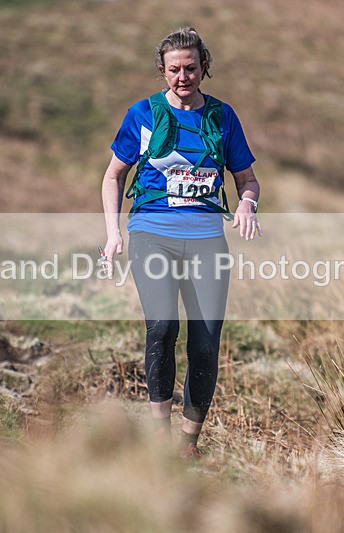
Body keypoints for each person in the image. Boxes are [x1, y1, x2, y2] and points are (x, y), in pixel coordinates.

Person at [101, 27, 262, 459]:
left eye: (191, 68)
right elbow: (113, 175)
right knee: (163, 327)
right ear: (162, 71)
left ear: (204, 67)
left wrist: (247, 205)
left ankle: (188, 442)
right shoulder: (143, 114)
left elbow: (247, 179)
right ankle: (159, 431)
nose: (183, 76)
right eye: (174, 69)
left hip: (208, 241)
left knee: (206, 343)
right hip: (153, 234)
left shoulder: (223, 118)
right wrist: (114, 233)